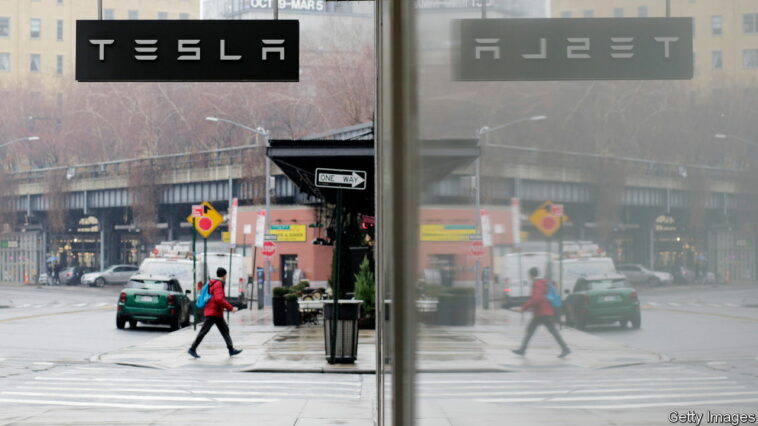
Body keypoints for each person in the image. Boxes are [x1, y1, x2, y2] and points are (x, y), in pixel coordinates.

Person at [512, 267, 570, 359]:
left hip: (542, 313)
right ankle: (565, 348)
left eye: (528, 275)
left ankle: (523, 349)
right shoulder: (544, 282)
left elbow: (536, 299)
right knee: (536, 330)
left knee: (533, 330)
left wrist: (523, 308)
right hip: (545, 311)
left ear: (531, 275)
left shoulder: (537, 284)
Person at [188, 267, 243, 358]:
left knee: (225, 330)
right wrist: (231, 308)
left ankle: (231, 349)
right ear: (224, 275)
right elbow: (219, 299)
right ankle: (192, 349)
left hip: (216, 312)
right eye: (226, 275)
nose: (226, 276)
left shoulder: (214, 282)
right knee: (204, 331)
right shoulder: (218, 284)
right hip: (213, 312)